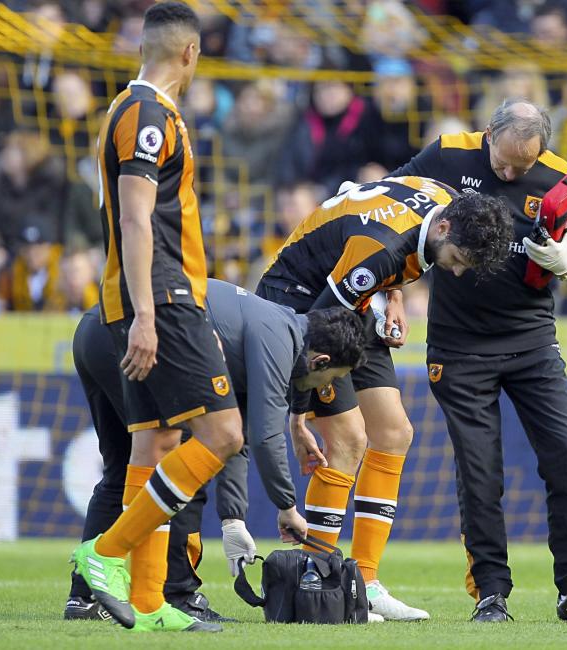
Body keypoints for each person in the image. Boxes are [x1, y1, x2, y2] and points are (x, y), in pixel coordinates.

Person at [389, 99, 567, 623]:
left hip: (532, 340)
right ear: (488, 133)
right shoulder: (446, 154)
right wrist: (396, 291)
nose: (511, 173)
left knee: (566, 459)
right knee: (481, 474)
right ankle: (491, 594)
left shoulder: (561, 177)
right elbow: (389, 207)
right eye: (504, 163)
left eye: (522, 167)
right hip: (458, 346)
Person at [256, 176, 513, 621]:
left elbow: (359, 188)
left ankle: (365, 583)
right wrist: (298, 420)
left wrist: (392, 295)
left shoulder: (443, 198)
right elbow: (315, 330)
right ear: (446, 232)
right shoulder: (379, 253)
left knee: (394, 433)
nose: (454, 271)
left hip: (354, 300)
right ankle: (318, 580)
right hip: (300, 305)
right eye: (456, 261)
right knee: (348, 439)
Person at [69, 3, 244, 633]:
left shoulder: (126, 106)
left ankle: (147, 602)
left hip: (139, 297)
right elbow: (138, 217)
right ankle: (107, 551)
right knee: (224, 435)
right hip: (163, 298)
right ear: (189, 54)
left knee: (156, 442)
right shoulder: (149, 114)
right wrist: (147, 313)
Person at [65, 278, 366, 623]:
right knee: (182, 466)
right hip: (135, 336)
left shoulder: (279, 327)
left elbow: (237, 437)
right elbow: (267, 438)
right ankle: (174, 594)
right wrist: (286, 506)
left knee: (121, 474)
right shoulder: (278, 341)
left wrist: (233, 519)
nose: (326, 388)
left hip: (96, 331)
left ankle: (84, 598)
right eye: (331, 378)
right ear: (321, 360)